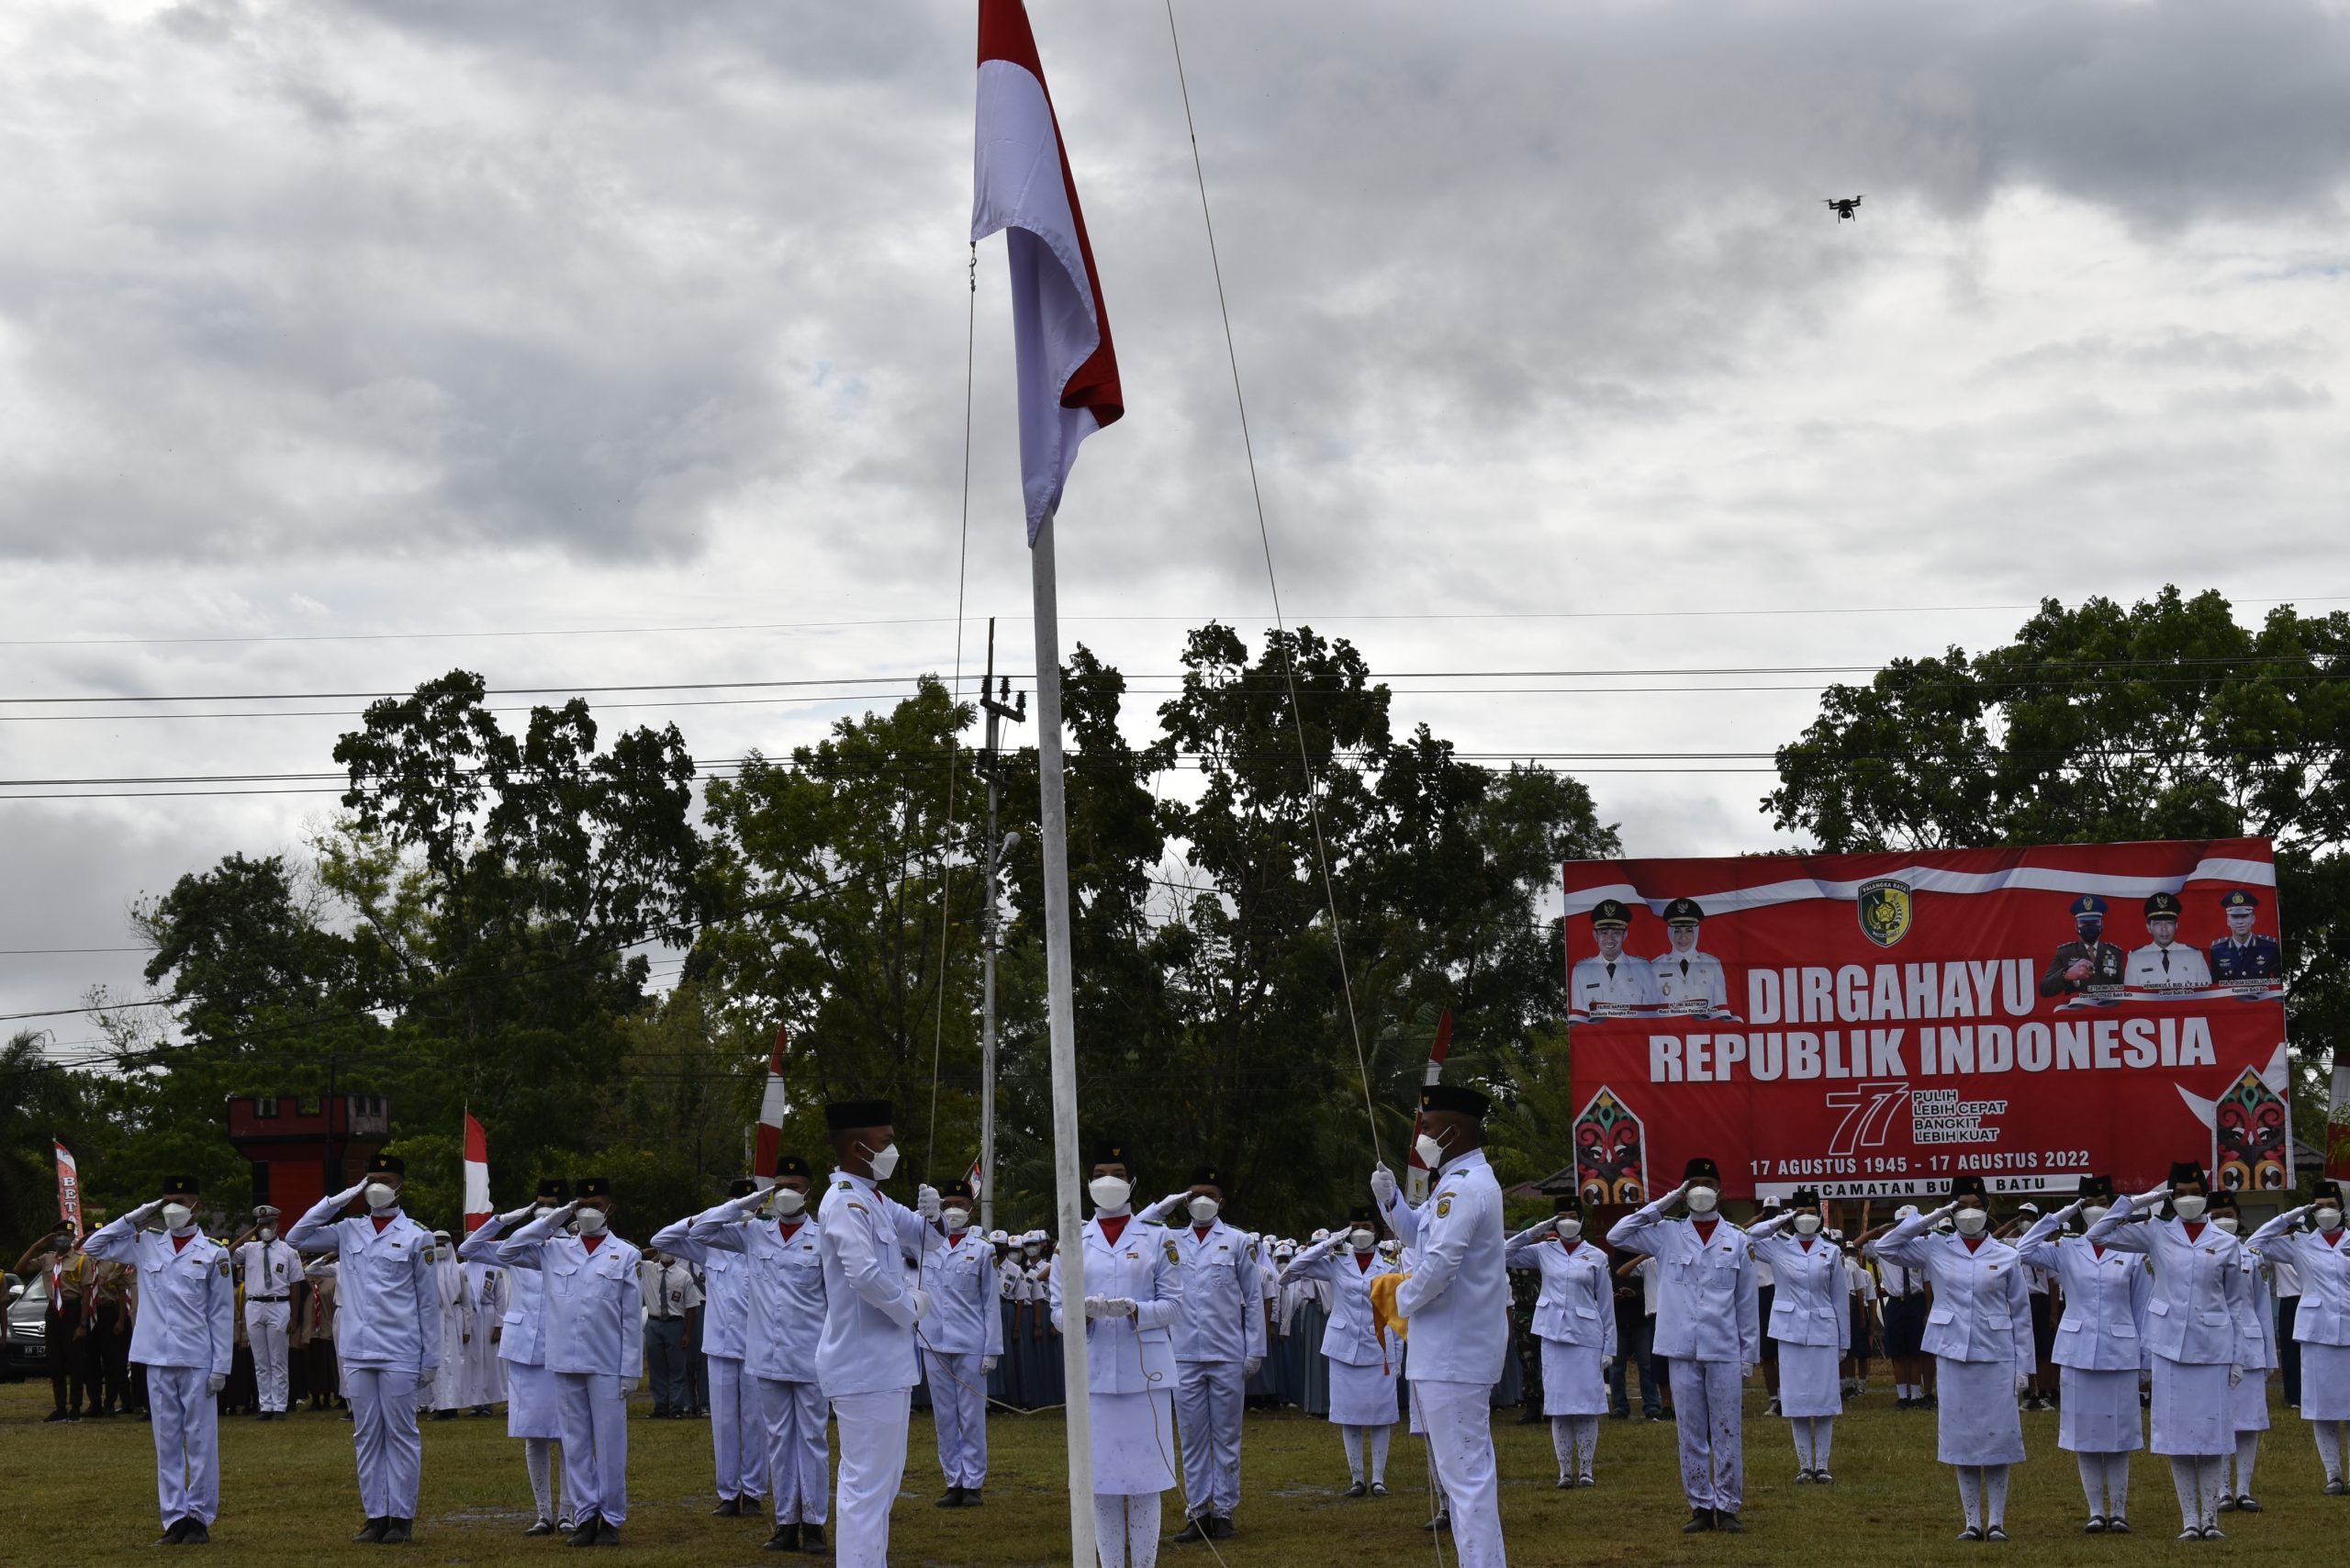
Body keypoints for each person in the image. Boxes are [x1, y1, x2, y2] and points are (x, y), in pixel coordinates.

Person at [1370, 1082, 1509, 1567]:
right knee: (1466, 1477)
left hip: (1454, 1353)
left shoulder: (1466, 1187)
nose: (1421, 1138)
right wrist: (1391, 1204)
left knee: (1466, 1480)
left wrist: (1396, 1298)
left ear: (1456, 1130)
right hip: (1448, 1352)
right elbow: (1419, 1238)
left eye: (1427, 1128)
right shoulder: (1452, 1184)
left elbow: (1441, 1264)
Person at [2084, 1161, 2256, 1540]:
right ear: (2171, 1196)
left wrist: (2238, 1356)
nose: (2189, 1199)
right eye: (2181, 1193)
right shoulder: (2156, 1233)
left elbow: (2235, 1305)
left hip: (2213, 1347)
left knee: (2211, 1437)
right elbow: (2097, 1235)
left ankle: (2211, 1518)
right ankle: (2189, 1519)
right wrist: (2138, 1200)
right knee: (2178, 1438)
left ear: (2205, 1193)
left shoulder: (2227, 1243)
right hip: (2169, 1347)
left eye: (2195, 1192)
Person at [1864, 1176, 2033, 1541]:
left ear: (1988, 1207)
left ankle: (1998, 1522)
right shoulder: (1935, 1246)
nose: (1969, 1212)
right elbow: (1888, 1247)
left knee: (1998, 1438)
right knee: (1963, 1438)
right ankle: (1972, 1521)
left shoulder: (2007, 1254)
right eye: (1961, 1204)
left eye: (1975, 1204)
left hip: (1997, 1356)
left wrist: (2025, 1368)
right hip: (1954, 1353)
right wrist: (1934, 1216)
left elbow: (2021, 1314)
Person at [287, 1153, 442, 1545]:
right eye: (370, 1179)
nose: (376, 1186)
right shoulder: (348, 1230)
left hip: (400, 1349)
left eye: (385, 1179)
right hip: (357, 1348)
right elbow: (296, 1237)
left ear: (400, 1186)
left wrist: (431, 1359)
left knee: (402, 1434)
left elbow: (427, 1302)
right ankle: (376, 1515)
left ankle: (401, 1517)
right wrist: (341, 1197)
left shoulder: (416, 1235)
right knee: (367, 1435)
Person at [816, 1099, 943, 1568]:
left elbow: (929, 1239)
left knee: (880, 1487)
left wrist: (934, 1215)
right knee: (866, 1490)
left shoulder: (874, 1199)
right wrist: (909, 1306)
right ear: (857, 1146)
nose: (893, 1149)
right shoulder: (846, 1201)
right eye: (885, 1141)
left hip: (884, 1365)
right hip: (864, 1363)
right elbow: (864, 1274)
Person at [1052, 1142, 1186, 1568]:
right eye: (1099, 1173)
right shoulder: (1071, 1238)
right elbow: (1057, 1310)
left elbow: (1176, 1305)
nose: (1108, 1181)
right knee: (1102, 1482)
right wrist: (1083, 1317)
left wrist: (1137, 1311)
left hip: (1145, 1377)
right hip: (1091, 1376)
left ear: (1132, 1183)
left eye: (1118, 1172)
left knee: (1145, 1482)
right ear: (1088, 1183)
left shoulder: (1159, 1238)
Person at [81, 1175, 234, 1546]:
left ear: (197, 1205)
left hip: (197, 1357)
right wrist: (139, 1214)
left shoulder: (214, 1252)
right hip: (156, 1356)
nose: (173, 1208)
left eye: (180, 1200)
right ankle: (174, 1518)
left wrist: (221, 1367)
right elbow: (93, 1244)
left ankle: (199, 1517)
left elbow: (222, 1313)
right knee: (166, 1442)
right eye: (166, 1201)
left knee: (200, 1441)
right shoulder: (146, 1243)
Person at [1607, 1156, 1759, 1533]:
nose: (1701, 1191)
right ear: (1684, 1191)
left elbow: (1746, 1303)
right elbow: (1617, 1234)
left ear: (1721, 1192)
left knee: (1726, 1429)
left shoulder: (1737, 1239)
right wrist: (1668, 1200)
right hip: (1681, 1346)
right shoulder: (1667, 1233)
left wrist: (1748, 1355)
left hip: (1723, 1347)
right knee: (1689, 1429)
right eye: (1693, 1185)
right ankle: (1699, 1505)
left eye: (1708, 1184)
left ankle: (1728, 1507)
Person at [692, 1156, 831, 1551]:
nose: (786, 1191)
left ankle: (815, 1523)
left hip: (809, 1359)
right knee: (778, 1440)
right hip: (767, 1359)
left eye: (794, 1184)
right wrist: (747, 1203)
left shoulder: (823, 1238)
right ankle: (786, 1522)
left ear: (809, 1191)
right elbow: (702, 1229)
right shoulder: (755, 1233)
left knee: (812, 1440)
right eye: (780, 1184)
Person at [498, 1176, 643, 1547]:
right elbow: (508, 1251)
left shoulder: (625, 1254)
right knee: (575, 1444)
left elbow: (630, 1319)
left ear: (610, 1207)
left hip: (607, 1363)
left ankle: (611, 1518)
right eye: (583, 1204)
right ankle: (585, 1516)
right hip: (564, 1361)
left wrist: (630, 1370)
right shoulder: (554, 1249)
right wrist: (554, 1217)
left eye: (596, 1203)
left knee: (610, 1445)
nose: (590, 1210)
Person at [2012, 1175, 2149, 1533]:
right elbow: (2022, 1251)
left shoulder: (2131, 1250)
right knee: (2084, 1434)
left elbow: (2142, 1309)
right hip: (2078, 1351)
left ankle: (2118, 1510)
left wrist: (2145, 1360)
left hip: (2120, 1351)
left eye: (2101, 1200)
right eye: (2088, 1203)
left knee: (2119, 1435)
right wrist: (2061, 1215)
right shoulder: (2068, 1249)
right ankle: (2095, 1511)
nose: (2095, 1208)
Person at [1136, 1165, 1265, 1541]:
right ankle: (1197, 1512)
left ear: (1222, 1201)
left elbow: (1253, 1299)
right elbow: (1140, 1227)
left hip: (1227, 1352)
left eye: (1210, 1194)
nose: (1202, 1201)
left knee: (1226, 1436)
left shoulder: (1239, 1242)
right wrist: (1167, 1204)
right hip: (1185, 1354)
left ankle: (1224, 1511)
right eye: (1195, 1195)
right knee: (1191, 1436)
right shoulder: (1171, 1239)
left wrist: (1255, 1350)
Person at [652, 1178, 767, 1519]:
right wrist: (700, 1217)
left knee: (754, 1421)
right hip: (719, 1346)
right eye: (734, 1204)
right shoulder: (708, 1244)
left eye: (745, 1205)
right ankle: (729, 1493)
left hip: (755, 1346)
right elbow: (661, 1240)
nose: (739, 1211)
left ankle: (755, 1492)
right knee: (724, 1423)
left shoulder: (762, 1241)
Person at [461, 1180, 571, 1536]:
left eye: (550, 1204)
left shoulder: (574, 1247)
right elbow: (469, 1247)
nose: (543, 1209)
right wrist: (511, 1217)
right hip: (524, 1346)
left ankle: (569, 1510)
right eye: (538, 1203)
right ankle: (543, 1513)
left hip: (563, 1347)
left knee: (571, 1433)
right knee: (533, 1433)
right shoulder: (516, 1245)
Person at [1281, 1205, 1405, 1495]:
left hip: (1380, 1347)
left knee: (1380, 1415)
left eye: (1366, 1226)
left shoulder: (1389, 1264)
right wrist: (1329, 1242)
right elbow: (1289, 1273)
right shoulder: (1336, 1261)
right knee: (1348, 1414)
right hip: (1343, 1347)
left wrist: (1397, 1356)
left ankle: (1378, 1478)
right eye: (1355, 1227)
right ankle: (1357, 1478)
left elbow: (1395, 1312)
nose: (1361, 1232)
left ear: (1377, 1230)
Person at [2245, 1176, 2350, 1495]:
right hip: (2317, 1332)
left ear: (2342, 1210)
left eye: (2332, 1206)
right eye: (2320, 1207)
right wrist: (2290, 1217)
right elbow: (2255, 1244)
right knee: (2323, 1407)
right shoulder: (2301, 1243)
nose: (2327, 1212)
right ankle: (2332, 1473)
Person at [1506, 1193, 1617, 1488]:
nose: (1567, 1221)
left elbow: (1606, 1305)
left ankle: (1587, 1469)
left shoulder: (1596, 1256)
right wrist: (1536, 1231)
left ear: (1581, 1218)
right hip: (1553, 1335)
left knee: (1586, 1405)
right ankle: (1565, 1470)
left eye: (1571, 1215)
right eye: (1561, 1216)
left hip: (1586, 1338)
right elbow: (1504, 1253)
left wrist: (1610, 1348)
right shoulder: (1543, 1250)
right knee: (1558, 1405)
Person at [1747, 1189, 1846, 1484]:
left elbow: (1840, 1300)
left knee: (1825, 1400)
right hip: (1789, 1331)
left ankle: (1823, 1465)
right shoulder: (1778, 1246)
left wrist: (1845, 1341)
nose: (1806, 1217)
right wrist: (1785, 1218)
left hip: (1824, 1331)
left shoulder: (1831, 1251)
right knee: (1797, 1400)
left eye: (1811, 1211)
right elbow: (1747, 1238)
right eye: (1801, 1211)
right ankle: (1804, 1465)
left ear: (1820, 1215)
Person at [919, 1176, 1002, 1506]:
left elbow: (990, 1303)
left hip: (970, 1343)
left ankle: (974, 1483)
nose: (954, 1211)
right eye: (948, 1205)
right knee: (944, 1416)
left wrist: (991, 1350)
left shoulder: (983, 1250)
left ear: (971, 1208)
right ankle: (953, 1481)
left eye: (960, 1205)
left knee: (971, 1416)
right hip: (934, 1344)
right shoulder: (926, 1243)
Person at [2208, 1191, 2274, 1513]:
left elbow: (2262, 1309)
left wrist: (2270, 1357)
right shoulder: (2200, 1255)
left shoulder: (2252, 1256)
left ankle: (2244, 1489)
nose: (2224, 1218)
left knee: (2249, 1422)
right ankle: (2221, 1490)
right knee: (2222, 1420)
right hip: (2214, 1346)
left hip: (2249, 1346)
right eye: (2217, 1213)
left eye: (2228, 1212)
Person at [14, 1224, 95, 1422]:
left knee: (74, 1361)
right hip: (53, 1311)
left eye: (66, 1235)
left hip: (72, 1309)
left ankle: (75, 1407)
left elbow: (86, 1295)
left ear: (72, 1237)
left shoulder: (81, 1261)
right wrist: (36, 1245)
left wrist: (83, 1324)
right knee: (55, 1361)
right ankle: (60, 1408)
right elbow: (19, 1268)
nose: (61, 1239)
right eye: (58, 1235)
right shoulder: (47, 1258)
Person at [231, 1205, 301, 1422]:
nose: (265, 1229)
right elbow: (227, 1254)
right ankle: (266, 1405)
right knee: (260, 1360)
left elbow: (296, 1284)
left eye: (268, 1224)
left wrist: (295, 1317)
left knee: (278, 1358)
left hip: (278, 1305)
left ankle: (280, 1406)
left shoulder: (288, 1252)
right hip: (254, 1305)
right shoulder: (250, 1249)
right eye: (261, 1225)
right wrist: (251, 1233)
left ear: (277, 1224)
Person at [1571, 900, 1662, 1015]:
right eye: (1604, 933)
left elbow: (1652, 1015)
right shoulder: (1581, 972)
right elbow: (1579, 1019)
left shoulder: (1643, 969)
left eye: (1616, 933)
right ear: (1595, 935)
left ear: (1625, 935)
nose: (1610, 939)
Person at [640, 1246, 700, 1418]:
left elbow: (691, 1308)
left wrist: (687, 1333)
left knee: (677, 1368)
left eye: (668, 1249)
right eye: (662, 1249)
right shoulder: (648, 1269)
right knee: (656, 1368)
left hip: (675, 1324)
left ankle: (677, 1408)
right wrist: (653, 1251)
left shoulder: (684, 1276)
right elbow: (634, 1254)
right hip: (653, 1323)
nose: (665, 1253)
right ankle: (660, 1406)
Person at [1650, 898, 1729, 1016]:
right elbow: (1652, 1012)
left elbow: (1721, 1010)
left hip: (1703, 1032)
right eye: (1677, 931)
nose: (1683, 937)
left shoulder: (1713, 964)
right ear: (1670, 933)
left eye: (1688, 931)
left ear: (1696, 932)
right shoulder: (1656, 967)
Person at [1607, 1252, 1662, 1421]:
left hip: (1641, 1320)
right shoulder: (1609, 1260)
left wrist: (1635, 1294)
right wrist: (1612, 1296)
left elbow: (1652, 1287)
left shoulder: (1643, 1259)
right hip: (1618, 1319)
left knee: (1647, 1365)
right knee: (1616, 1367)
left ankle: (1652, 1405)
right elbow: (1604, 1286)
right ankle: (1619, 1407)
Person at [2039, 894, 2127, 997]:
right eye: (2084, 923)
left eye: (2094, 922)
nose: (2089, 927)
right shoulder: (2065, 953)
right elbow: (2044, 989)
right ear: (2076, 926)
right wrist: (2066, 975)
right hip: (2077, 1010)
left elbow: (2125, 990)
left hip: (2106, 1010)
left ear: (2102, 924)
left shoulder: (2115, 953)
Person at [427, 1229, 474, 1420]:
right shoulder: (427, 1270)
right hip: (434, 1319)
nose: (440, 1248)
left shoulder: (460, 1270)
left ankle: (453, 1407)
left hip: (454, 1319)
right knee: (437, 1364)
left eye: (443, 1243)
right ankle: (440, 1406)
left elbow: (466, 1302)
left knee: (454, 1364)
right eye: (436, 1243)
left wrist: (467, 1328)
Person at [2124, 892, 2211, 990]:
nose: (2164, 929)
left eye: (2169, 923)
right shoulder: (2136, 958)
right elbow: (2131, 1000)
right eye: (2158, 923)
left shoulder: (2194, 955)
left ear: (2176, 926)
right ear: (2149, 928)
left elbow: (2206, 996)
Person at [461, 1239, 506, 1416]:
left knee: (489, 1361)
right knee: (473, 1360)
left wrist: (498, 1325)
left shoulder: (493, 1268)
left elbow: (500, 1298)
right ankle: (475, 1403)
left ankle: (488, 1403)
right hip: (470, 1316)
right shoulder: (462, 1268)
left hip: (488, 1315)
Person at [2208, 890, 2283, 983]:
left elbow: (2278, 985)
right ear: (2228, 922)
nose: (2240, 922)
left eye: (2244, 916)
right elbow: (2215, 987)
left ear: (2253, 919)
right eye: (2235, 917)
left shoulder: (2269, 948)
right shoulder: (2217, 950)